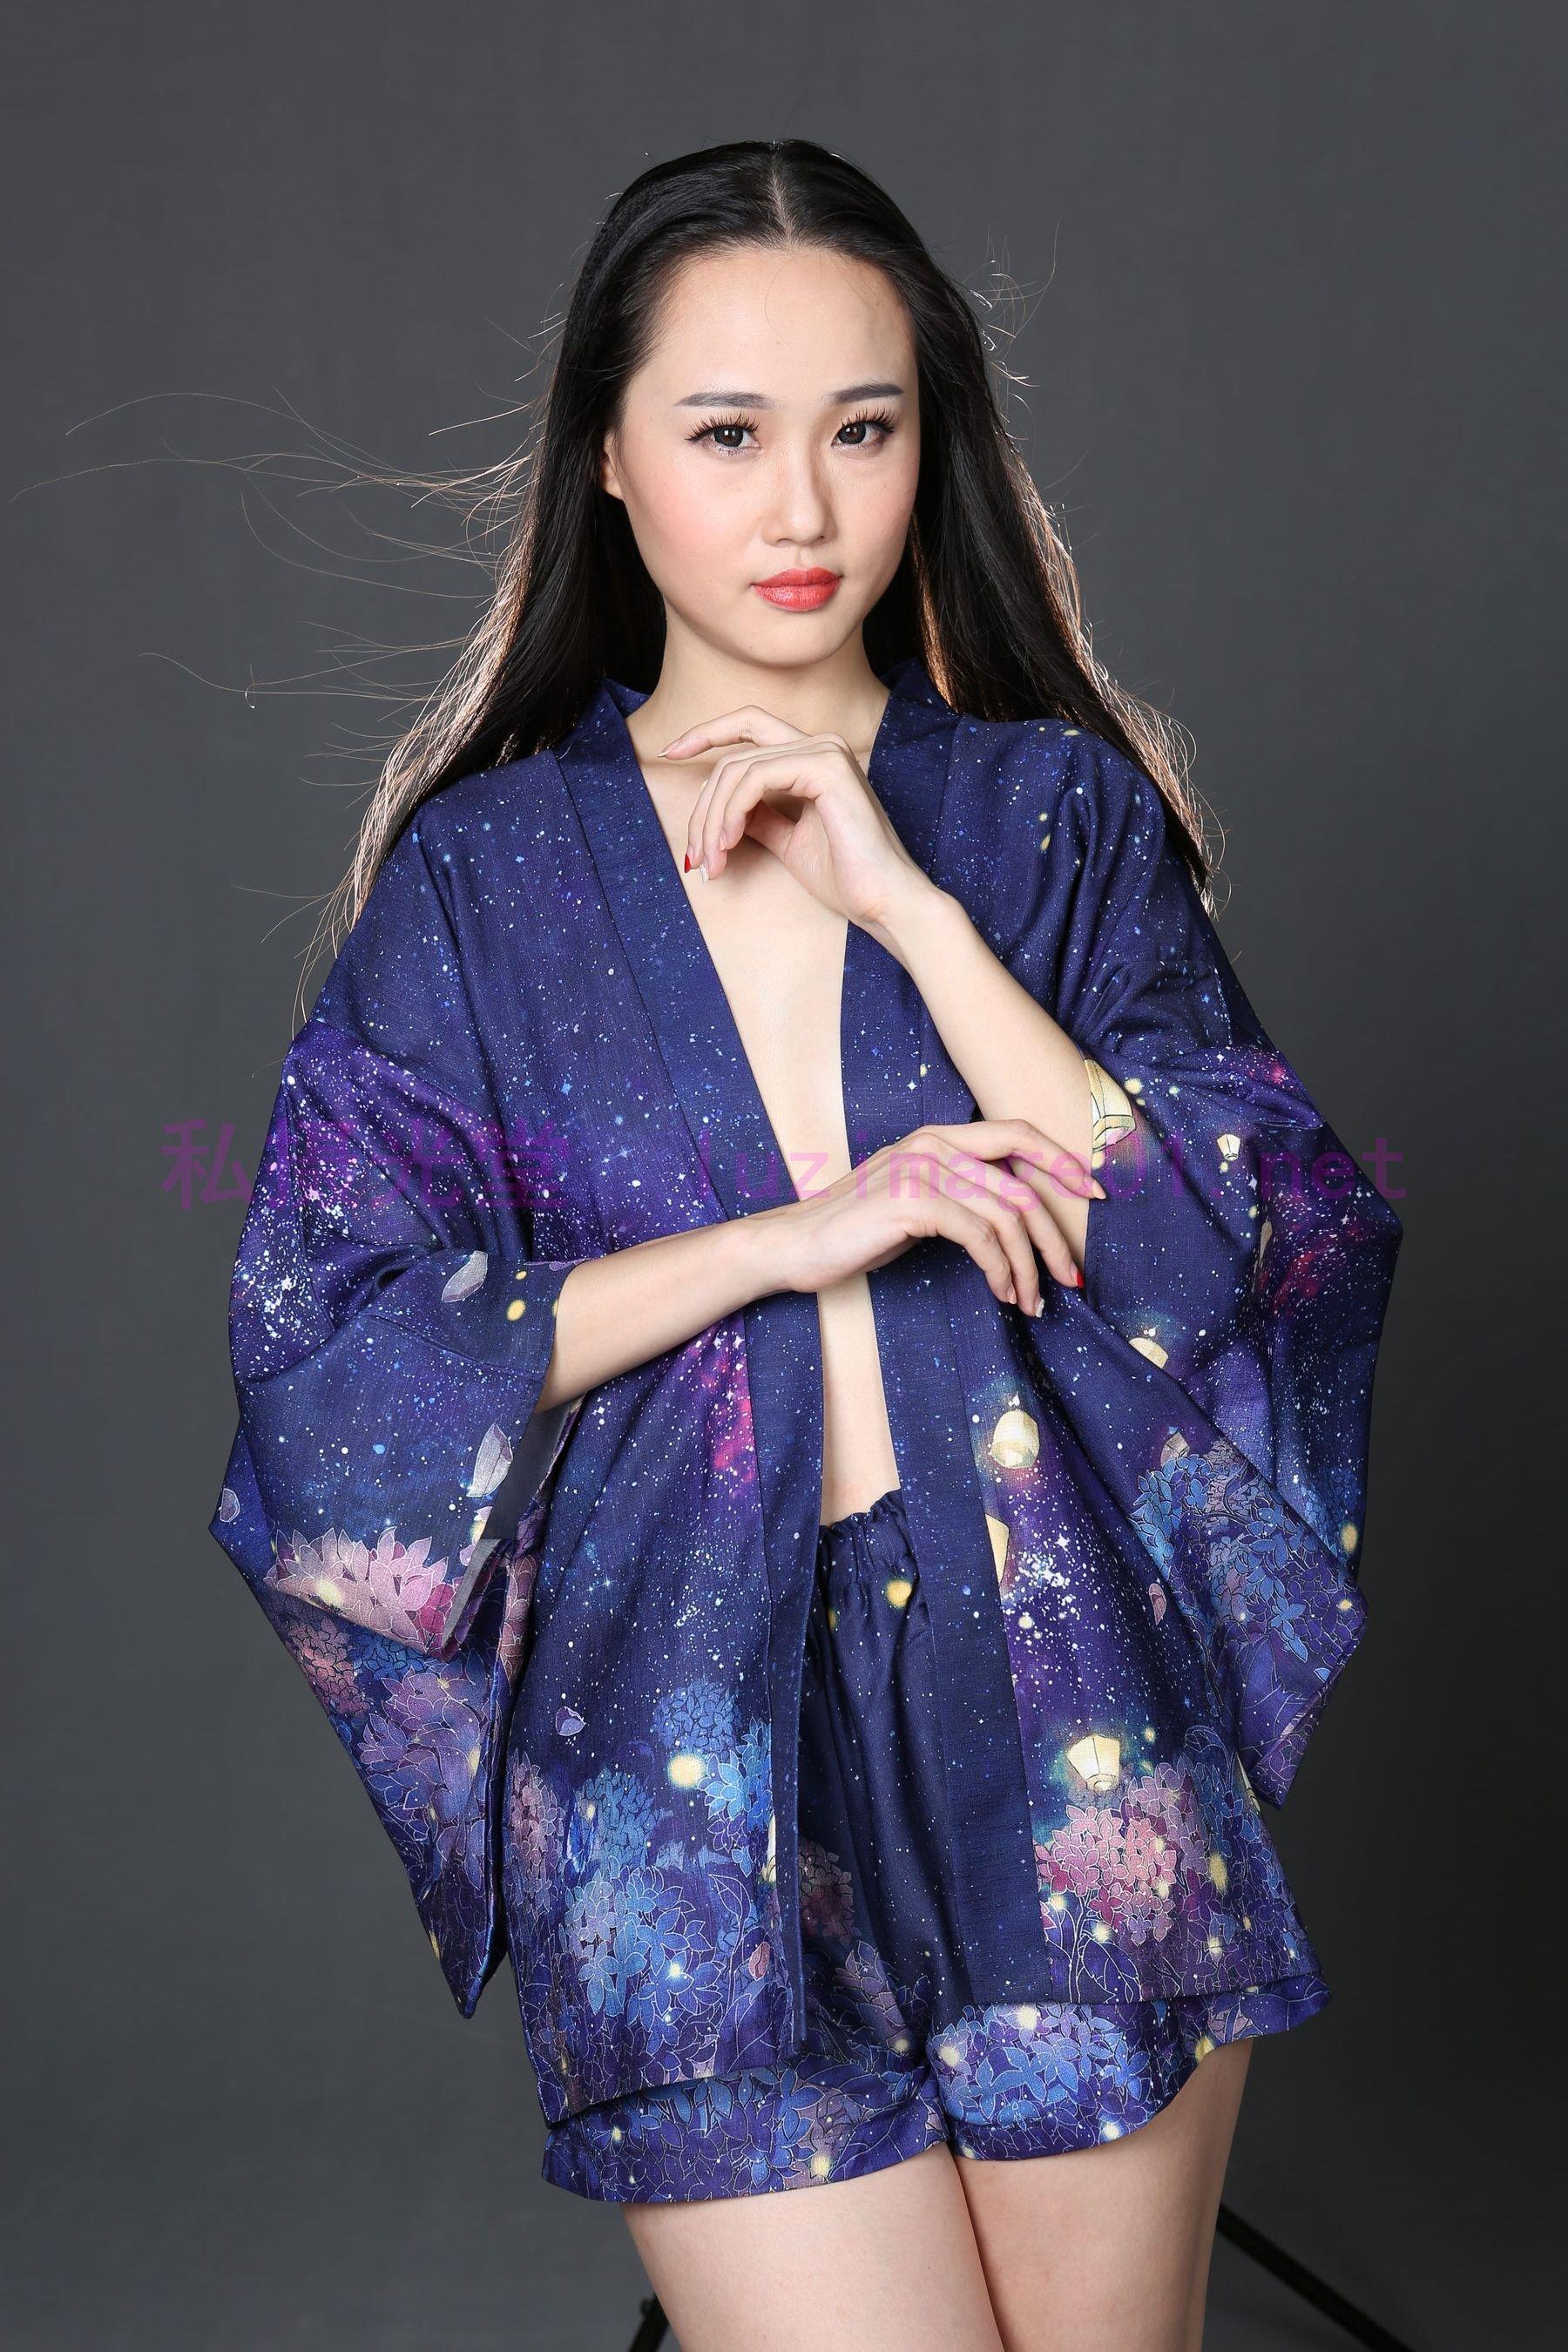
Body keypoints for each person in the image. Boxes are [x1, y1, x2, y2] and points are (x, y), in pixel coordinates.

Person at [209, 139, 1402, 2352]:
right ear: (608, 461)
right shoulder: (483, 885)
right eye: (727, 434)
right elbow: (330, 1351)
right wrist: (790, 1238)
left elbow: (1228, 1247)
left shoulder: (1050, 821)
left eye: (864, 429)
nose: (803, 509)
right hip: (679, 1776)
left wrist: (913, 911)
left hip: (1069, 1725)